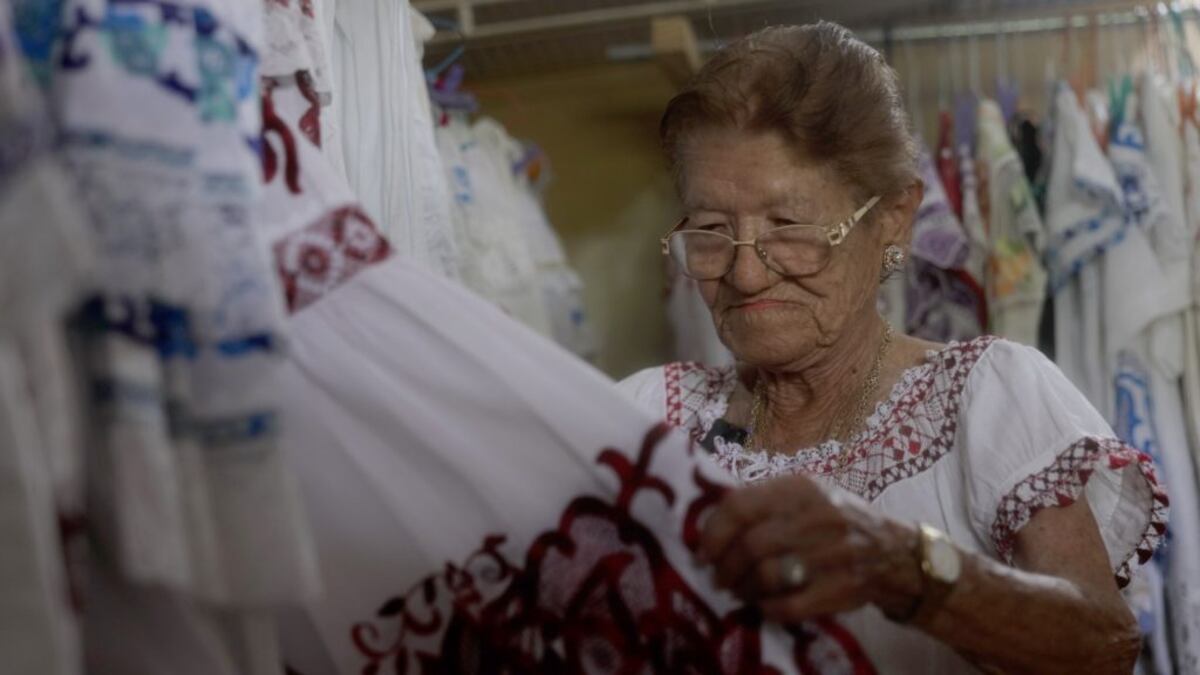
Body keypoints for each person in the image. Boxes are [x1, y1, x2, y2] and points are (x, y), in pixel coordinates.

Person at [619, 22, 1167, 674]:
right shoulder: (649, 415)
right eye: (710, 230)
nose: (745, 274)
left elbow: (1103, 646)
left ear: (893, 219)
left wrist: (906, 568)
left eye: (789, 226)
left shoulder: (986, 400)